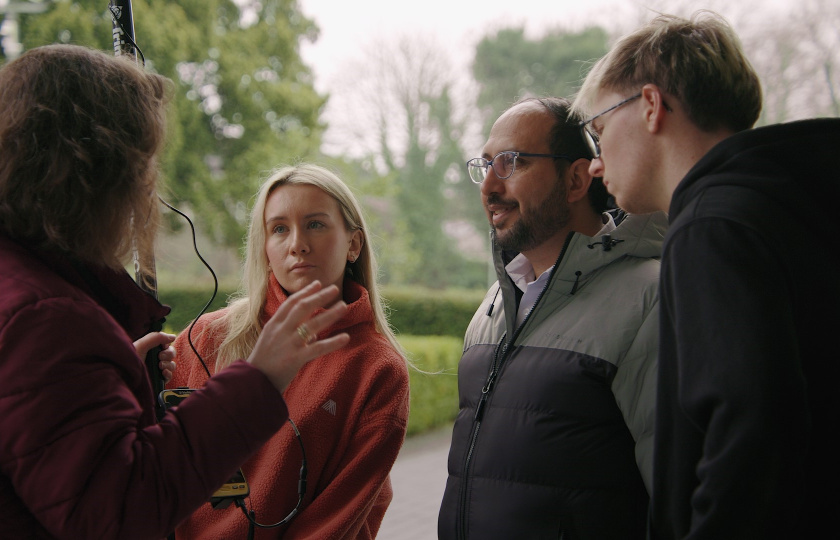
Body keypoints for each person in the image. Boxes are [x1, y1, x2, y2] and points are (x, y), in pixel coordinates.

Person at [0, 44, 350, 539]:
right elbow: (121, 508)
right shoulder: (46, 316)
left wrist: (112, 380)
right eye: (144, 166)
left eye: (316, 224)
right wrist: (257, 379)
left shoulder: (28, 289)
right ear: (100, 173)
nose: (149, 190)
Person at [572, 10, 840, 539]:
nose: (596, 165)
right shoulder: (790, 207)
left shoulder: (710, 228)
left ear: (651, 106)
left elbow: (749, 435)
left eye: (599, 132)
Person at [437, 96, 667, 539]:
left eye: (513, 163)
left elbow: (679, 496)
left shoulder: (649, 298)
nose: (489, 187)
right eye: (485, 165)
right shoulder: (491, 307)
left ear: (577, 178)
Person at [167, 163, 410, 539]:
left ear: (353, 244)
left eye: (315, 224)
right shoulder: (207, 337)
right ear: (264, 247)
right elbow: (155, 476)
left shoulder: (378, 368)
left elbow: (337, 517)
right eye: (279, 228)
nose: (297, 243)